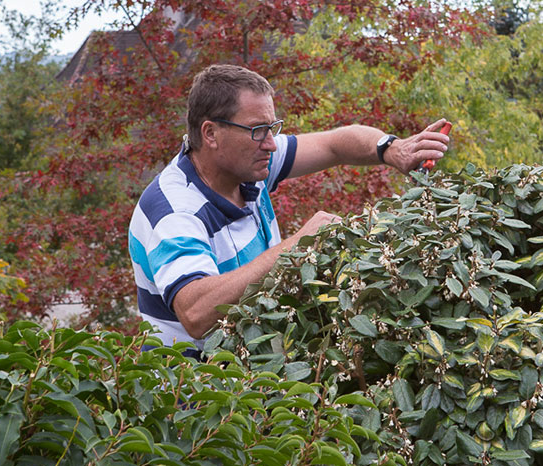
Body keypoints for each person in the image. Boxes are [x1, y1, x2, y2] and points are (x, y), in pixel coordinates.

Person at [129, 64, 451, 355]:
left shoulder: (249, 164)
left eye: (273, 128)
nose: (270, 143)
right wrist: (295, 246)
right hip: (194, 398)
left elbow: (334, 144)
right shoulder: (173, 210)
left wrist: (392, 149)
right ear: (211, 133)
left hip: (256, 371)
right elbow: (196, 313)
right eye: (258, 130)